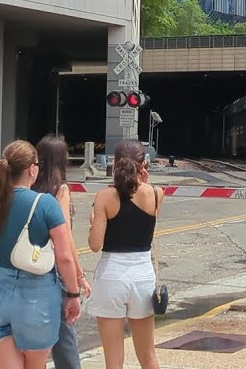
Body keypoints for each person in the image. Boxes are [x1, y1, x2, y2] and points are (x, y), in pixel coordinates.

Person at [0, 140, 83, 369]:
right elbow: (64, 256)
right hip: (37, 297)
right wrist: (72, 293)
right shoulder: (46, 204)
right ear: (32, 169)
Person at [86, 140, 163, 369]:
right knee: (148, 355)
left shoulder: (104, 197)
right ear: (144, 164)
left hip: (111, 276)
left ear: (115, 162)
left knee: (113, 361)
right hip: (142, 276)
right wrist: (144, 183)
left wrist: (93, 223)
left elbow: (94, 244)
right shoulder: (157, 194)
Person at [33, 135, 90, 369]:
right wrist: (78, 277)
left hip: (33, 266)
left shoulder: (29, 187)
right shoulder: (60, 190)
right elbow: (64, 239)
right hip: (56, 270)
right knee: (65, 336)